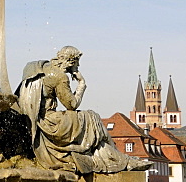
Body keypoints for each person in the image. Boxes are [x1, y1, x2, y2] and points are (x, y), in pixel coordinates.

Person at [15, 46, 150, 174]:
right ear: (70, 61)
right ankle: (120, 158)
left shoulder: (36, 66)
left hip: (35, 119)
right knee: (93, 117)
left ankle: (119, 158)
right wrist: (81, 84)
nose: (78, 67)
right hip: (50, 123)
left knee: (91, 124)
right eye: (77, 63)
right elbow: (72, 105)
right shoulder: (60, 76)